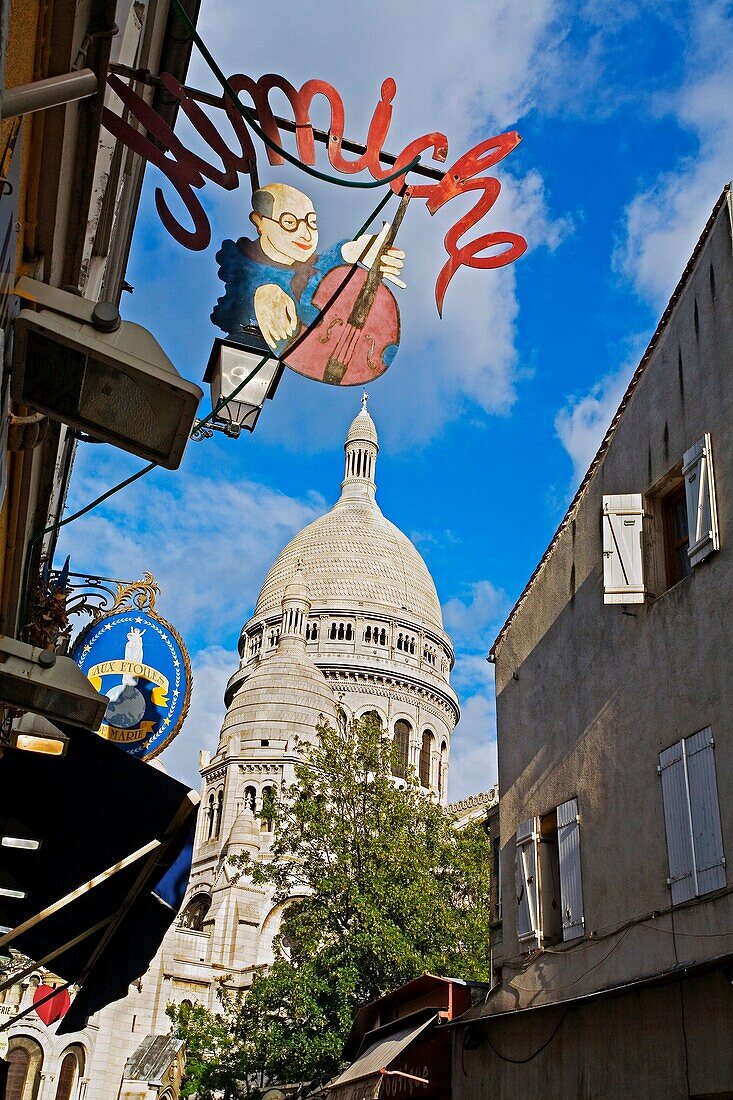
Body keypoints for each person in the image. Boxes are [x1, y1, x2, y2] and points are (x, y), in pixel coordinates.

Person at [211, 182, 406, 353]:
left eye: (312, 223)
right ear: (260, 222)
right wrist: (262, 291)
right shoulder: (240, 263)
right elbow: (234, 300)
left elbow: (322, 265)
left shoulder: (308, 270)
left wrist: (352, 250)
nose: (306, 234)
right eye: (290, 222)